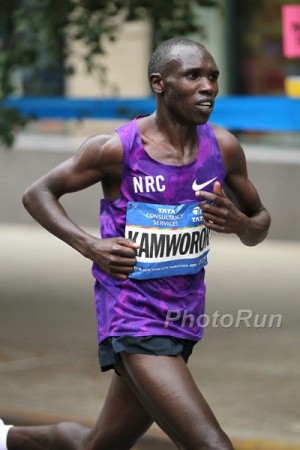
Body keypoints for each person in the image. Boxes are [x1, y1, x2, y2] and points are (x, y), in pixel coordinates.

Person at [1, 37, 271, 450]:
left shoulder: (224, 148)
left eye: (213, 76)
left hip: (184, 317)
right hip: (133, 317)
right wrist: (90, 246)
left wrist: (240, 224)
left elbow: (260, 222)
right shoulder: (117, 148)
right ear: (159, 83)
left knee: (99, 445)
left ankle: (9, 438)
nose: (209, 86)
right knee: (212, 445)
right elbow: (38, 194)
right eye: (194, 75)